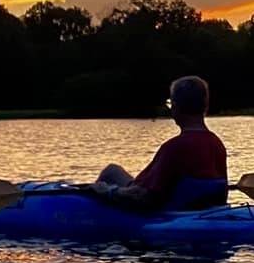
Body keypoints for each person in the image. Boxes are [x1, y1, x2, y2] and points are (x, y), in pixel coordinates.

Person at [93, 76, 228, 210]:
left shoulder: (175, 147)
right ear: (206, 106)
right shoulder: (216, 143)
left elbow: (144, 196)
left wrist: (108, 191)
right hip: (198, 208)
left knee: (111, 172)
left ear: (175, 107)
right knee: (115, 172)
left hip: (169, 210)